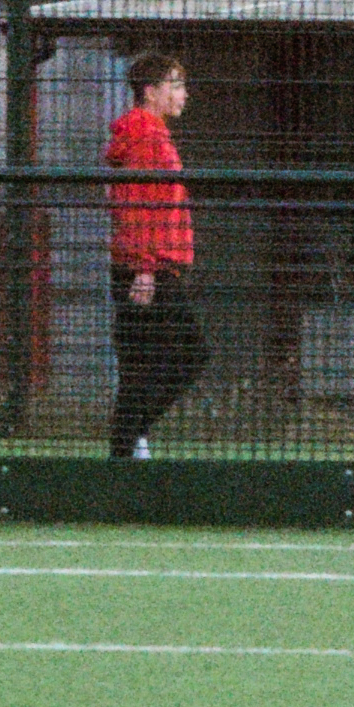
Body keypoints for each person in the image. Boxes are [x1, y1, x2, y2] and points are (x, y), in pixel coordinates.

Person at [103, 49, 207, 460]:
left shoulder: (147, 132)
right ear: (151, 92)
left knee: (138, 367)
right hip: (148, 268)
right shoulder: (147, 134)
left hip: (142, 265)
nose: (184, 94)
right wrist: (146, 269)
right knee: (191, 354)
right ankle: (128, 437)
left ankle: (127, 448)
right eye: (176, 84)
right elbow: (142, 204)